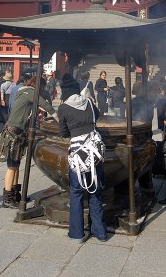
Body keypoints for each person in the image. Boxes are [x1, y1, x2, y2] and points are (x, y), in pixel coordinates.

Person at [58, 73, 107, 243]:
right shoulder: (89, 103)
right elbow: (98, 116)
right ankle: (100, 233)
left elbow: (63, 132)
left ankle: (77, 234)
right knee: (95, 191)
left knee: (76, 192)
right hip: (94, 152)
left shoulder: (63, 108)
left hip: (78, 154)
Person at [3, 76, 58, 208]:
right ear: (39, 86)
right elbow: (46, 105)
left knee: (16, 164)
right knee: (12, 166)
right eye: (43, 88)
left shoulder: (24, 91)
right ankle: (8, 199)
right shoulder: (31, 92)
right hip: (13, 132)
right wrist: (59, 120)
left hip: (16, 130)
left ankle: (16, 194)